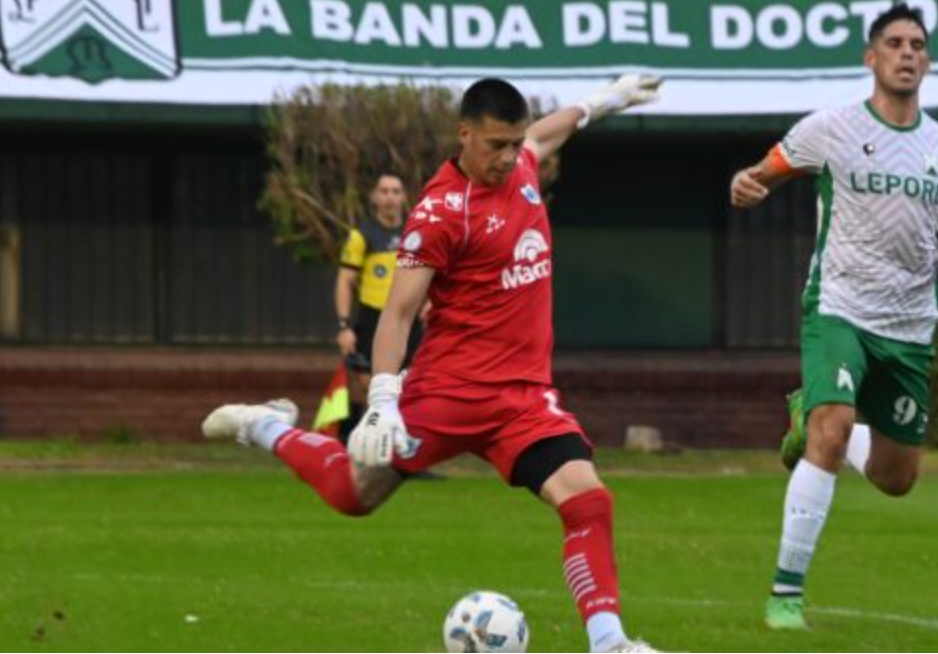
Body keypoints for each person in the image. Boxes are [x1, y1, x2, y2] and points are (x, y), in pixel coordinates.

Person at [203, 75, 664, 653]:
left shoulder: (520, 163)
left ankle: (611, 643)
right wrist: (382, 401)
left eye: (513, 144)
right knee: (353, 494)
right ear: (464, 134)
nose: (508, 156)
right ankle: (264, 425)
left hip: (521, 397)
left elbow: (551, 132)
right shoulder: (441, 212)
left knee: (588, 499)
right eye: (495, 145)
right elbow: (398, 313)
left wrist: (606, 100)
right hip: (447, 393)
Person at [729, 5, 938, 631]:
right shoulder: (831, 127)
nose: (906, 53)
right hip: (839, 307)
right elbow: (763, 174)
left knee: (898, 479)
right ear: (871, 57)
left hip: (912, 325)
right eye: (893, 42)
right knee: (832, 432)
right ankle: (785, 595)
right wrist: (745, 183)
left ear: (928, 61)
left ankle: (803, 413)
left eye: (917, 44)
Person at [334, 174, 421, 441]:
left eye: (396, 191)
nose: (390, 197)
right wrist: (344, 326)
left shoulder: (415, 235)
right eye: (384, 191)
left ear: (404, 197)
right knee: (365, 385)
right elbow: (345, 281)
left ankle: (404, 454)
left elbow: (431, 275)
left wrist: (429, 303)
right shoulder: (362, 236)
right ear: (374, 198)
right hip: (371, 316)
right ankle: (352, 445)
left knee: (408, 386)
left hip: (409, 319)